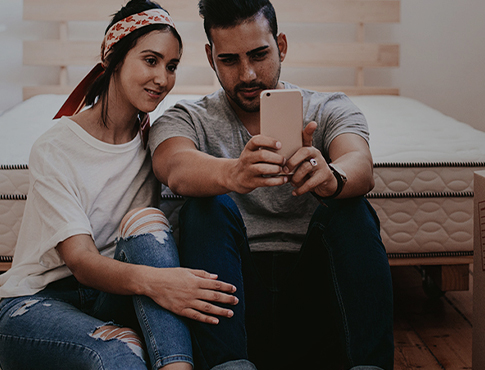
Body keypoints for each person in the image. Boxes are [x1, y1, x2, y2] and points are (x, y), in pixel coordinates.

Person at [0, 1, 248, 369]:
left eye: (172, 66)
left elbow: (189, 175)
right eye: (150, 60)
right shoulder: (55, 148)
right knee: (120, 349)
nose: (163, 79)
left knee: (146, 221)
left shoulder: (156, 145)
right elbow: (82, 263)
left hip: (110, 299)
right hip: (37, 304)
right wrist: (162, 283)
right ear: (113, 58)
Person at [148, 0, 394, 369]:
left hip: (318, 300)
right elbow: (174, 166)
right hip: (237, 306)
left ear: (281, 45)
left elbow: (360, 163)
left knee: (352, 206)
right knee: (204, 206)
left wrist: (332, 178)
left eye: (259, 54)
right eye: (229, 60)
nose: (247, 74)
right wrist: (233, 174)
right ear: (210, 56)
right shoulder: (188, 117)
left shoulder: (328, 108)